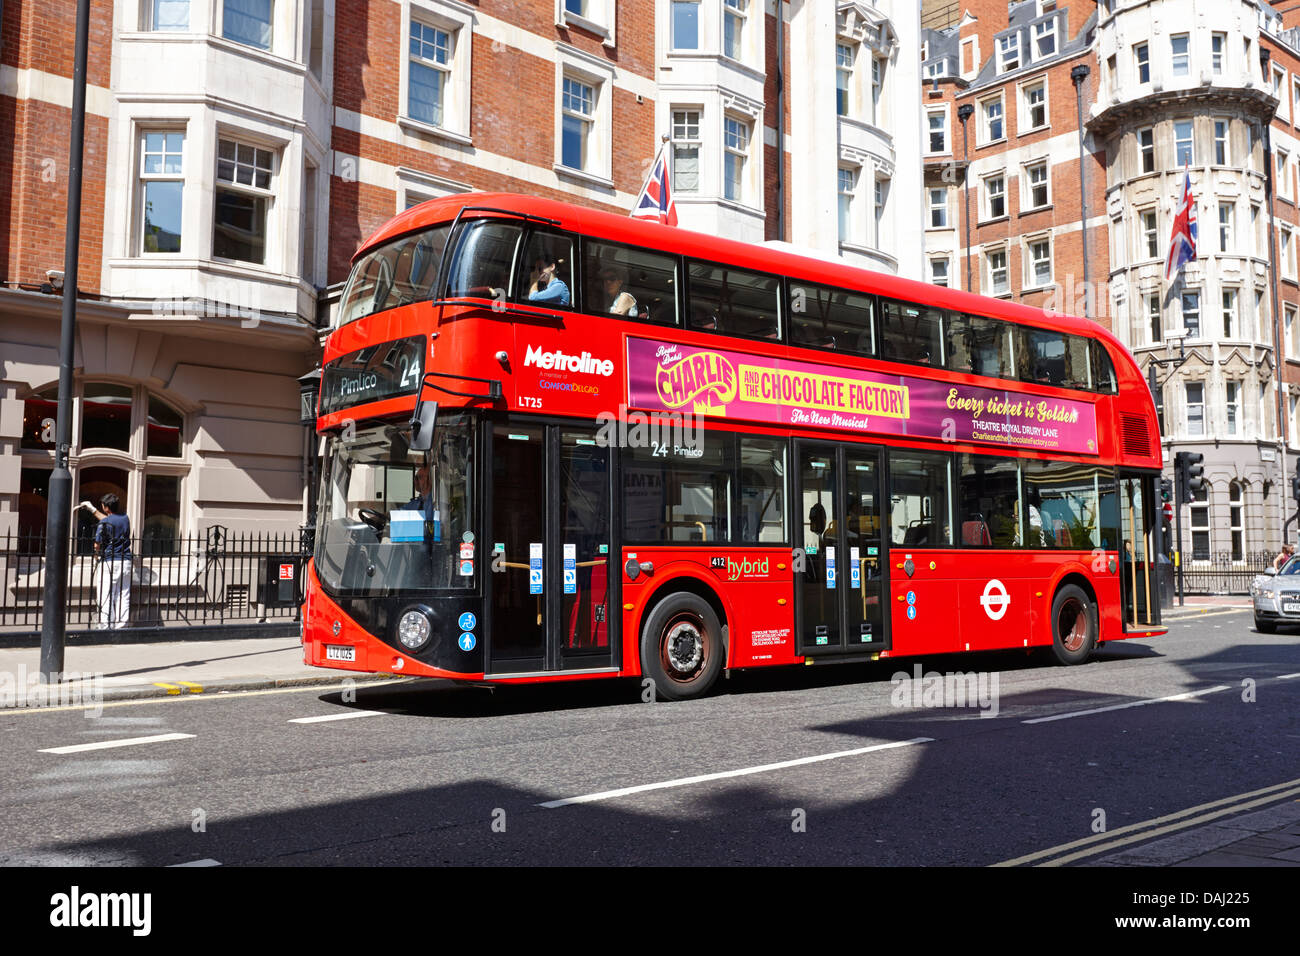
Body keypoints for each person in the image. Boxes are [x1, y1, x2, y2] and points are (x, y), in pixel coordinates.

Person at [82, 494, 131, 629]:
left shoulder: (104, 523)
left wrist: (96, 556)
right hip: (125, 560)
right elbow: (111, 521)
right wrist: (93, 510)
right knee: (123, 593)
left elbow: (97, 544)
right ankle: (122, 625)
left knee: (106, 594)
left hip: (110, 561)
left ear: (106, 507)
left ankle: (105, 625)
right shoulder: (125, 519)